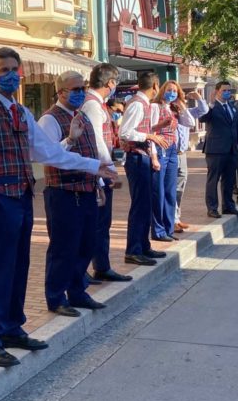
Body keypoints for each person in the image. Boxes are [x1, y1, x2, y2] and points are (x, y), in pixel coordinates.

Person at [0, 48, 116, 369]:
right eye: (4, 70)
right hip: (0, 197)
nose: (11, 75)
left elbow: (46, 152)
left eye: (15, 69)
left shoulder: (20, 111)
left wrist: (92, 165)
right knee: (0, 266)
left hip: (22, 194)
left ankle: (11, 327)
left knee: (19, 264)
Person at [38, 71, 107, 317]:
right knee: (63, 247)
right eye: (75, 89)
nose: (80, 93)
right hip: (63, 192)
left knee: (85, 244)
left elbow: (91, 152)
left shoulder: (82, 116)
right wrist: (69, 139)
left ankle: (78, 291)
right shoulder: (49, 119)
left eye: (83, 88)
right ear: (61, 92)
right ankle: (56, 297)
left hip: (86, 189)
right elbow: (47, 155)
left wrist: (98, 182)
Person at [81, 64, 131, 284]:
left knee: (101, 222)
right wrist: (109, 169)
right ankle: (88, 267)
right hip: (95, 171)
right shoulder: (92, 105)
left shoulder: (97, 104)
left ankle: (101, 265)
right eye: (116, 82)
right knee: (95, 223)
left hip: (98, 170)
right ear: (110, 82)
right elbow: (96, 141)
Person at [118, 72, 170, 266]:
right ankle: (133, 250)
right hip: (137, 158)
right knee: (140, 205)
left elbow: (140, 129)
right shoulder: (138, 104)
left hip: (144, 156)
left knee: (146, 204)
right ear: (155, 86)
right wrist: (149, 136)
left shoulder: (143, 103)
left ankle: (143, 245)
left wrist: (154, 130)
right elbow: (126, 132)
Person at [189, 80, 238, 218]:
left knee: (229, 180)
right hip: (215, 150)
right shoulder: (211, 107)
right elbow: (203, 118)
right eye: (224, 90)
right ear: (217, 92)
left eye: (229, 90)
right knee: (213, 180)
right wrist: (210, 104)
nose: (227, 93)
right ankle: (212, 208)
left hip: (232, 150)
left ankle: (228, 206)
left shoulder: (233, 107)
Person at [150, 80, 182, 242]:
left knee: (170, 191)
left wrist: (182, 107)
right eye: (169, 90)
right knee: (159, 192)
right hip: (159, 148)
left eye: (175, 91)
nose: (172, 93)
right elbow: (150, 130)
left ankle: (169, 228)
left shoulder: (173, 108)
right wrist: (154, 155)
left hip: (172, 150)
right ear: (162, 91)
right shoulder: (155, 107)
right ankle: (158, 230)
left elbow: (190, 122)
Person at [172, 86, 197, 233]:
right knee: (170, 187)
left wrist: (182, 107)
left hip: (182, 154)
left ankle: (176, 217)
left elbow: (191, 122)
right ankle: (173, 220)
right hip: (169, 154)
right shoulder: (165, 110)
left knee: (180, 187)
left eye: (176, 94)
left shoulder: (183, 113)